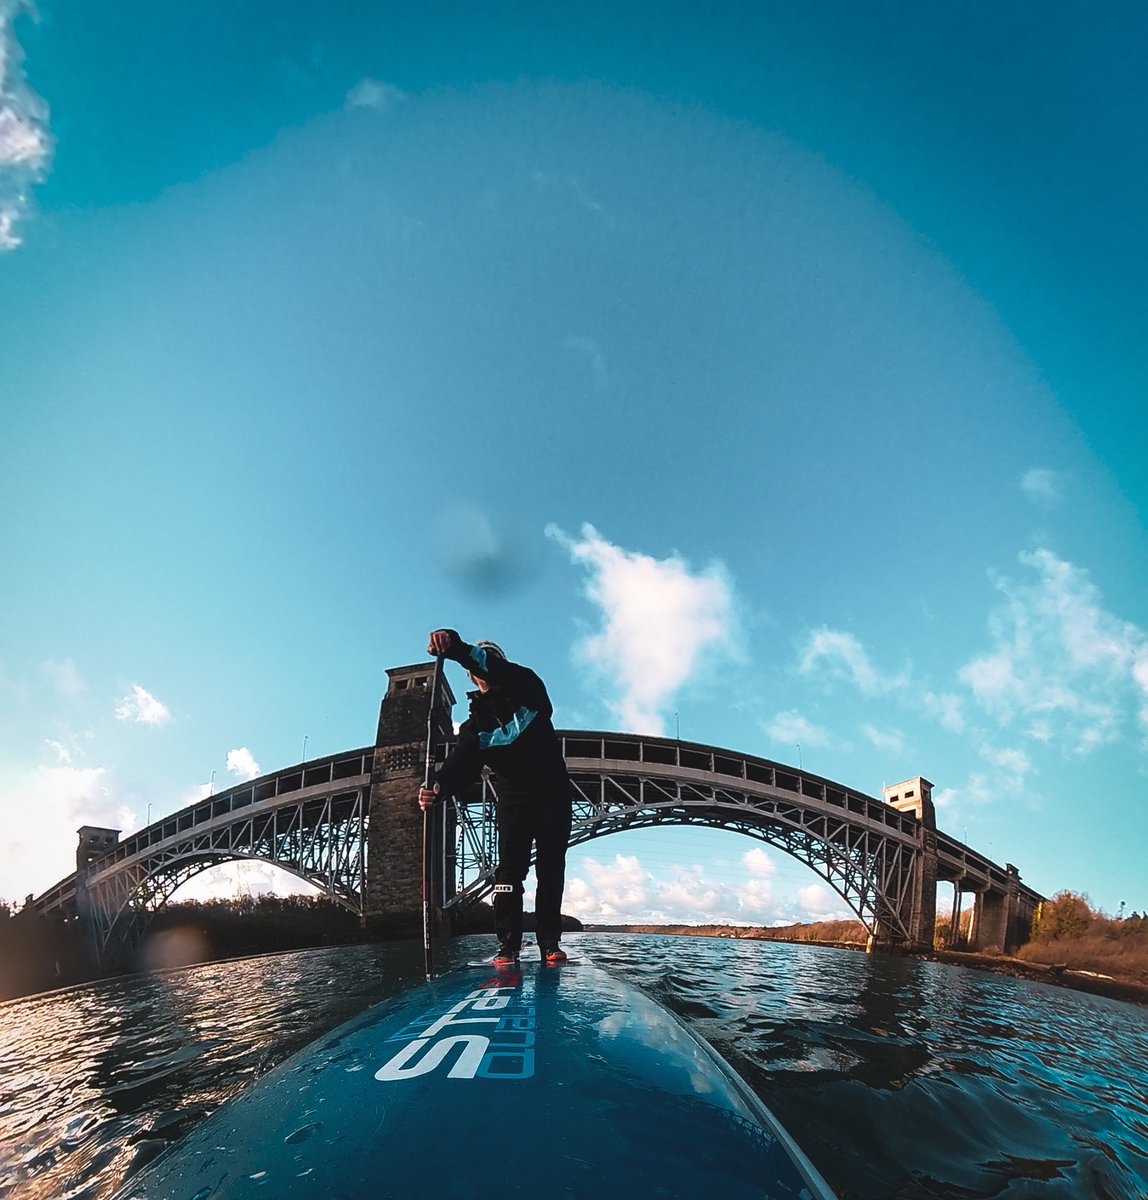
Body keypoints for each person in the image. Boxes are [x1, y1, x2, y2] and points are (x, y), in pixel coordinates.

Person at [418, 629, 573, 966]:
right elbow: (462, 765)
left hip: (553, 793)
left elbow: (497, 669)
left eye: (493, 661)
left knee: (551, 868)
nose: (488, 669)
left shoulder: (527, 685)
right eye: (480, 666)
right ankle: (508, 946)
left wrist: (457, 647)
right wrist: (438, 788)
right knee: (508, 874)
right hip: (513, 800)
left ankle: (549, 942)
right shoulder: (474, 728)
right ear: (472, 677)